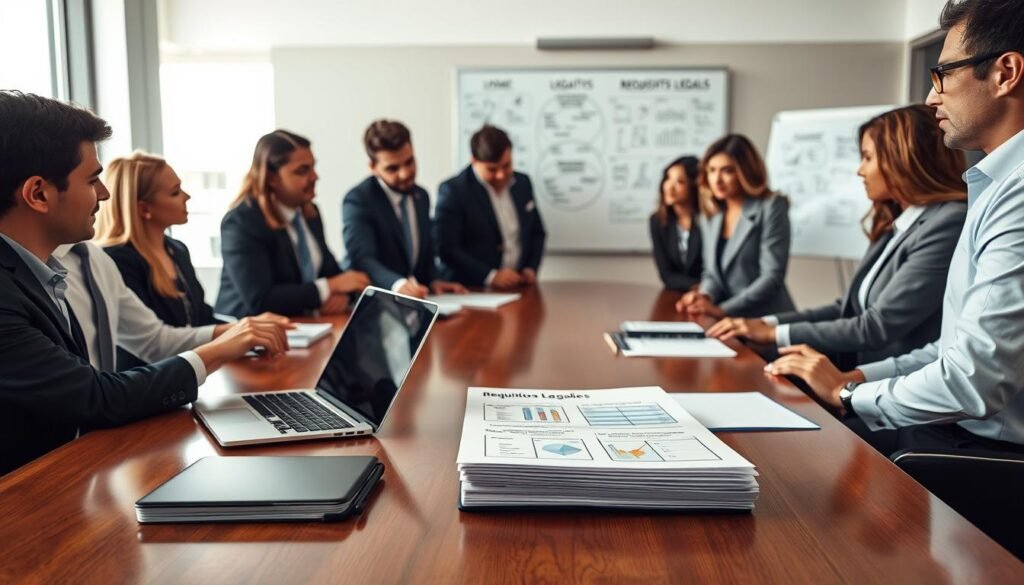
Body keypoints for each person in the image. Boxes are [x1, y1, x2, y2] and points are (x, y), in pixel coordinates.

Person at [765, 0, 1024, 455]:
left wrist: (847, 395)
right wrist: (857, 380)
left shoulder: (1013, 195)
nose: (930, 97)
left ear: (1005, 73)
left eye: (943, 73)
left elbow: (972, 381)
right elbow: (949, 352)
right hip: (955, 433)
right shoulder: (991, 184)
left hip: (986, 458)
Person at [0, 91, 288, 475]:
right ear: (38, 194)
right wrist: (217, 350)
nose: (103, 194)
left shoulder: (44, 272)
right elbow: (95, 396)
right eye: (92, 180)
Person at [707, 105, 968, 371]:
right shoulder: (896, 222)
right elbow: (844, 308)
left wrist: (774, 334)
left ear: (903, 159)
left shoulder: (946, 222)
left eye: (867, 157)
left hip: (895, 389)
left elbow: (877, 326)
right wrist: (768, 324)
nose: (860, 170)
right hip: (861, 379)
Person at [94, 151, 291, 369]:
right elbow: (157, 344)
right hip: (150, 386)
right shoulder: (116, 260)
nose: (186, 196)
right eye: (175, 192)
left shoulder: (177, 250)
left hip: (190, 377)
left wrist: (251, 329)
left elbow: (202, 318)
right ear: (144, 208)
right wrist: (241, 330)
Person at [216, 130, 369, 317]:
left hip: (302, 328)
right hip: (247, 335)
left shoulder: (309, 213)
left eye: (313, 167)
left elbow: (333, 273)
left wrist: (344, 294)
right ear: (272, 178)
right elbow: (261, 300)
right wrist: (329, 287)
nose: (314, 177)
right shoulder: (241, 223)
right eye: (302, 171)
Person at [341, 120, 465, 299]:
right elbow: (363, 259)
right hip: (377, 302)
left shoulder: (421, 196)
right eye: (392, 168)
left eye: (409, 162)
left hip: (413, 303)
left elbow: (423, 259)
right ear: (373, 167)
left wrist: (434, 281)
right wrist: (397, 284)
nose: (405, 173)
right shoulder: (359, 200)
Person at [675, 134, 794, 318]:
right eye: (712, 170)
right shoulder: (711, 214)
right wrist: (705, 296)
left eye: (727, 170)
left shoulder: (772, 206)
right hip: (728, 322)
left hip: (766, 321)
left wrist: (723, 309)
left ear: (745, 171)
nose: (717, 180)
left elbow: (771, 278)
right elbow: (711, 273)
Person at [435, 124, 547, 289]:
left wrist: (530, 268)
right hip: (470, 289)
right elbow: (446, 249)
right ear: (474, 161)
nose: (501, 175)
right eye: (492, 169)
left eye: (506, 165)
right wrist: (490, 276)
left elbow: (537, 231)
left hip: (517, 286)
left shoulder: (523, 183)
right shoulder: (454, 191)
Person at [649, 155, 704, 291]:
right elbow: (666, 274)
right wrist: (695, 287)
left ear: (694, 186)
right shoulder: (657, 221)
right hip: (676, 294)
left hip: (713, 296)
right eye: (668, 178)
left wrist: (707, 289)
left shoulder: (708, 221)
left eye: (680, 182)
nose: (669, 187)